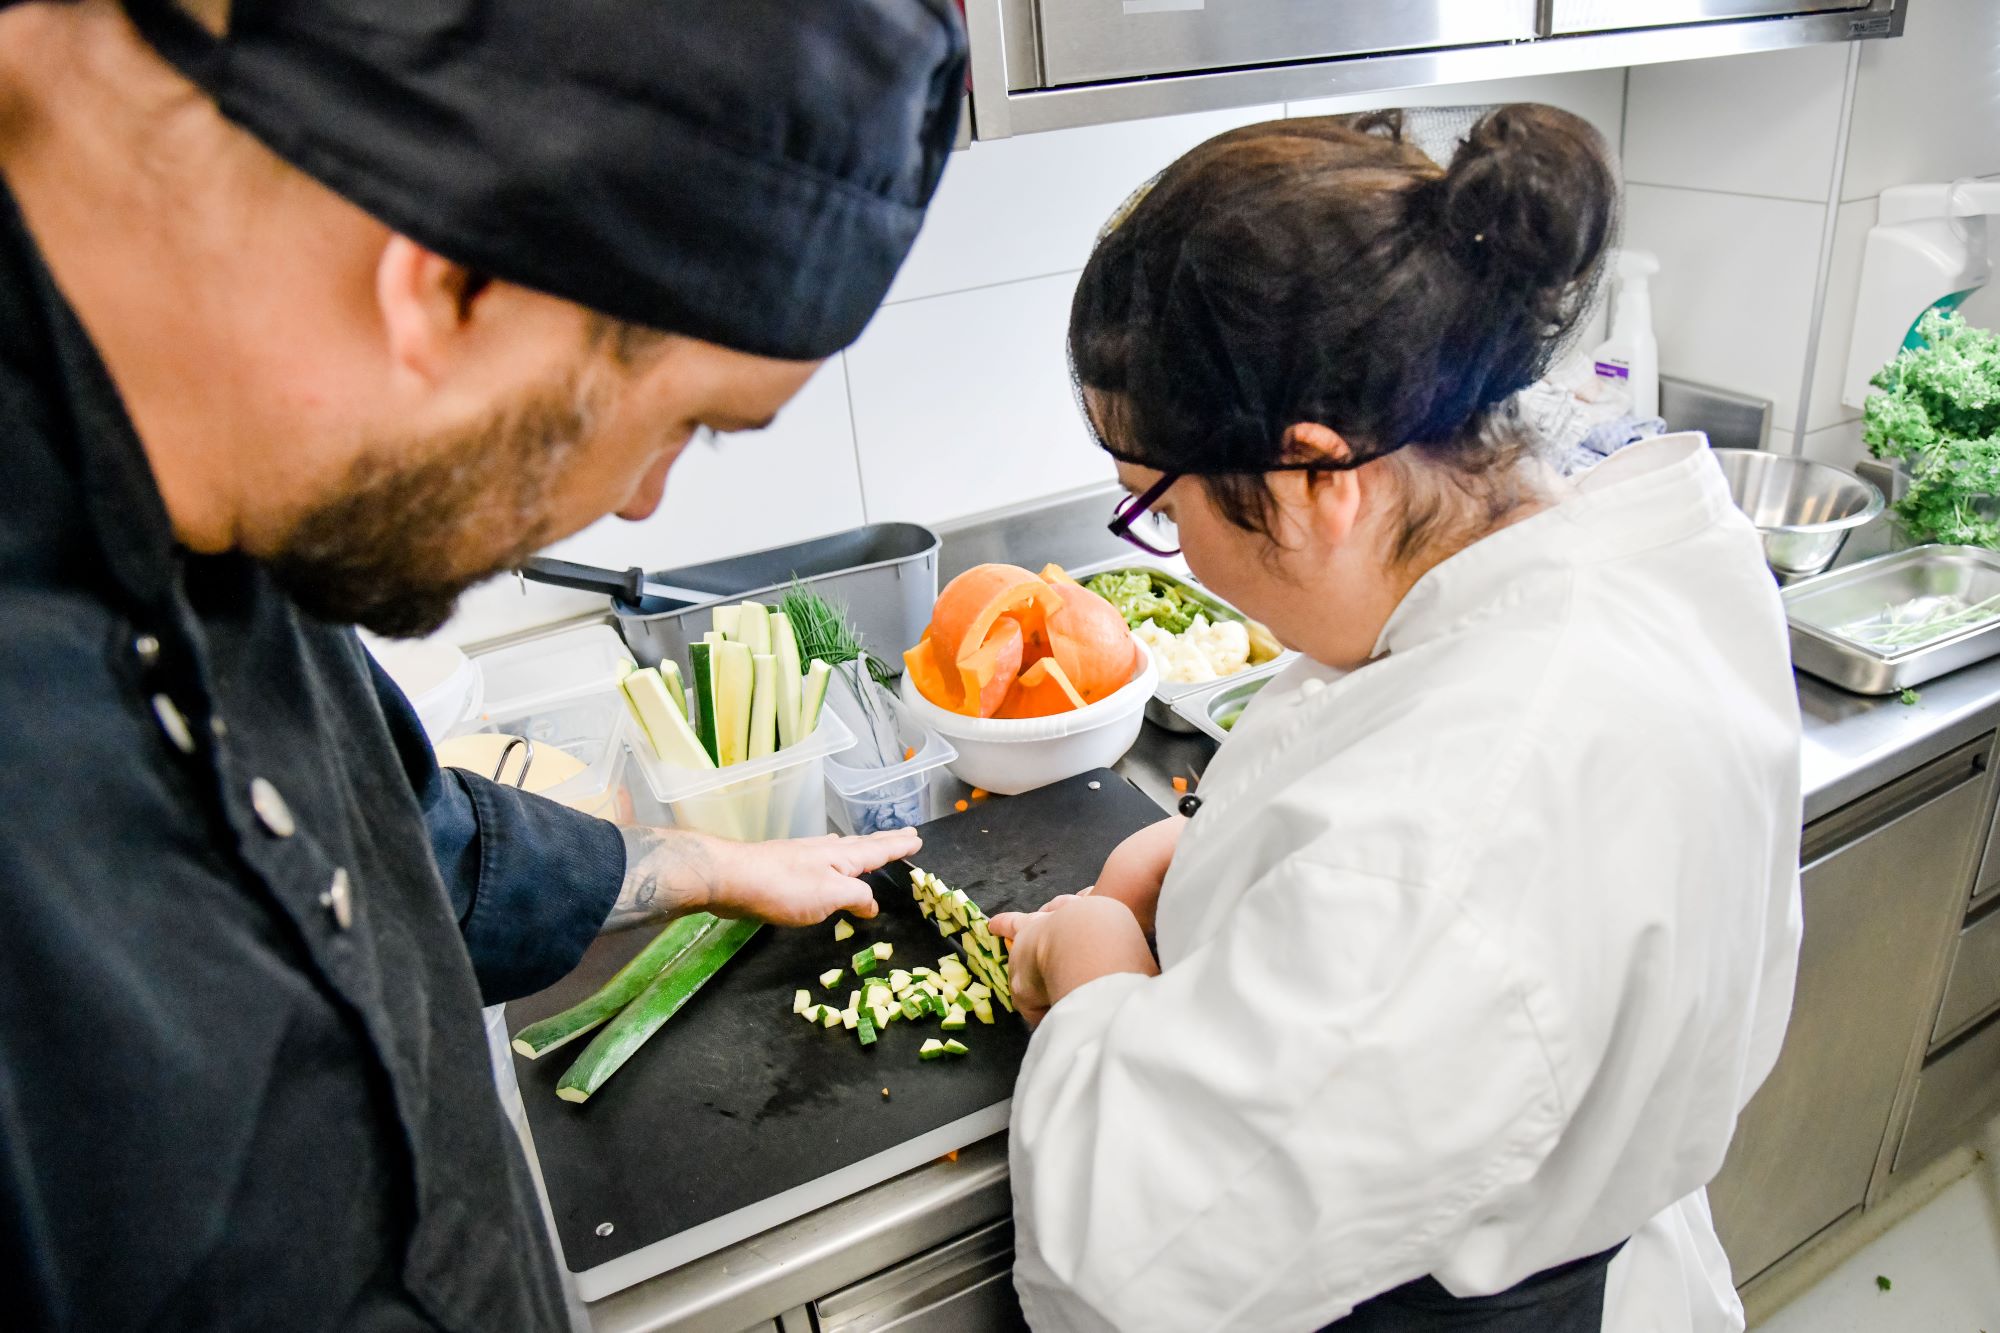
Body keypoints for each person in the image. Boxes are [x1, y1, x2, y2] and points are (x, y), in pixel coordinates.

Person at [0, 0, 964, 1327]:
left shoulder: (239, 473)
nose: (639, 501)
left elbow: (394, 847)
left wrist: (688, 865)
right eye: (685, 422)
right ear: (447, 285)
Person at [990, 106, 1803, 1332]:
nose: (1176, 550)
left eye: (1154, 504)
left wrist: (1092, 954)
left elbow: (1127, 1263)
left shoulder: (1455, 832)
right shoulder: (1631, 565)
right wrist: (1222, 853)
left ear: (1313, 477)